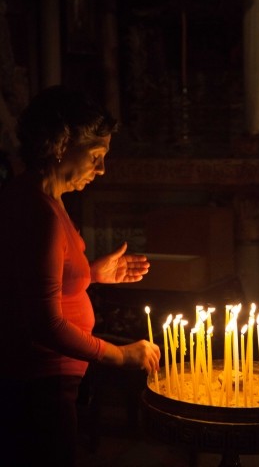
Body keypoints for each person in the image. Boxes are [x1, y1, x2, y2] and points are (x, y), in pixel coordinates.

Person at [0, 85, 161, 467]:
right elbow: (45, 324)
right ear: (61, 144)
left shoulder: (39, 197)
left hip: (41, 383)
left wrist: (89, 275)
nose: (101, 169)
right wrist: (119, 356)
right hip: (39, 386)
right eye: (96, 155)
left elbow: (33, 281)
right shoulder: (38, 212)